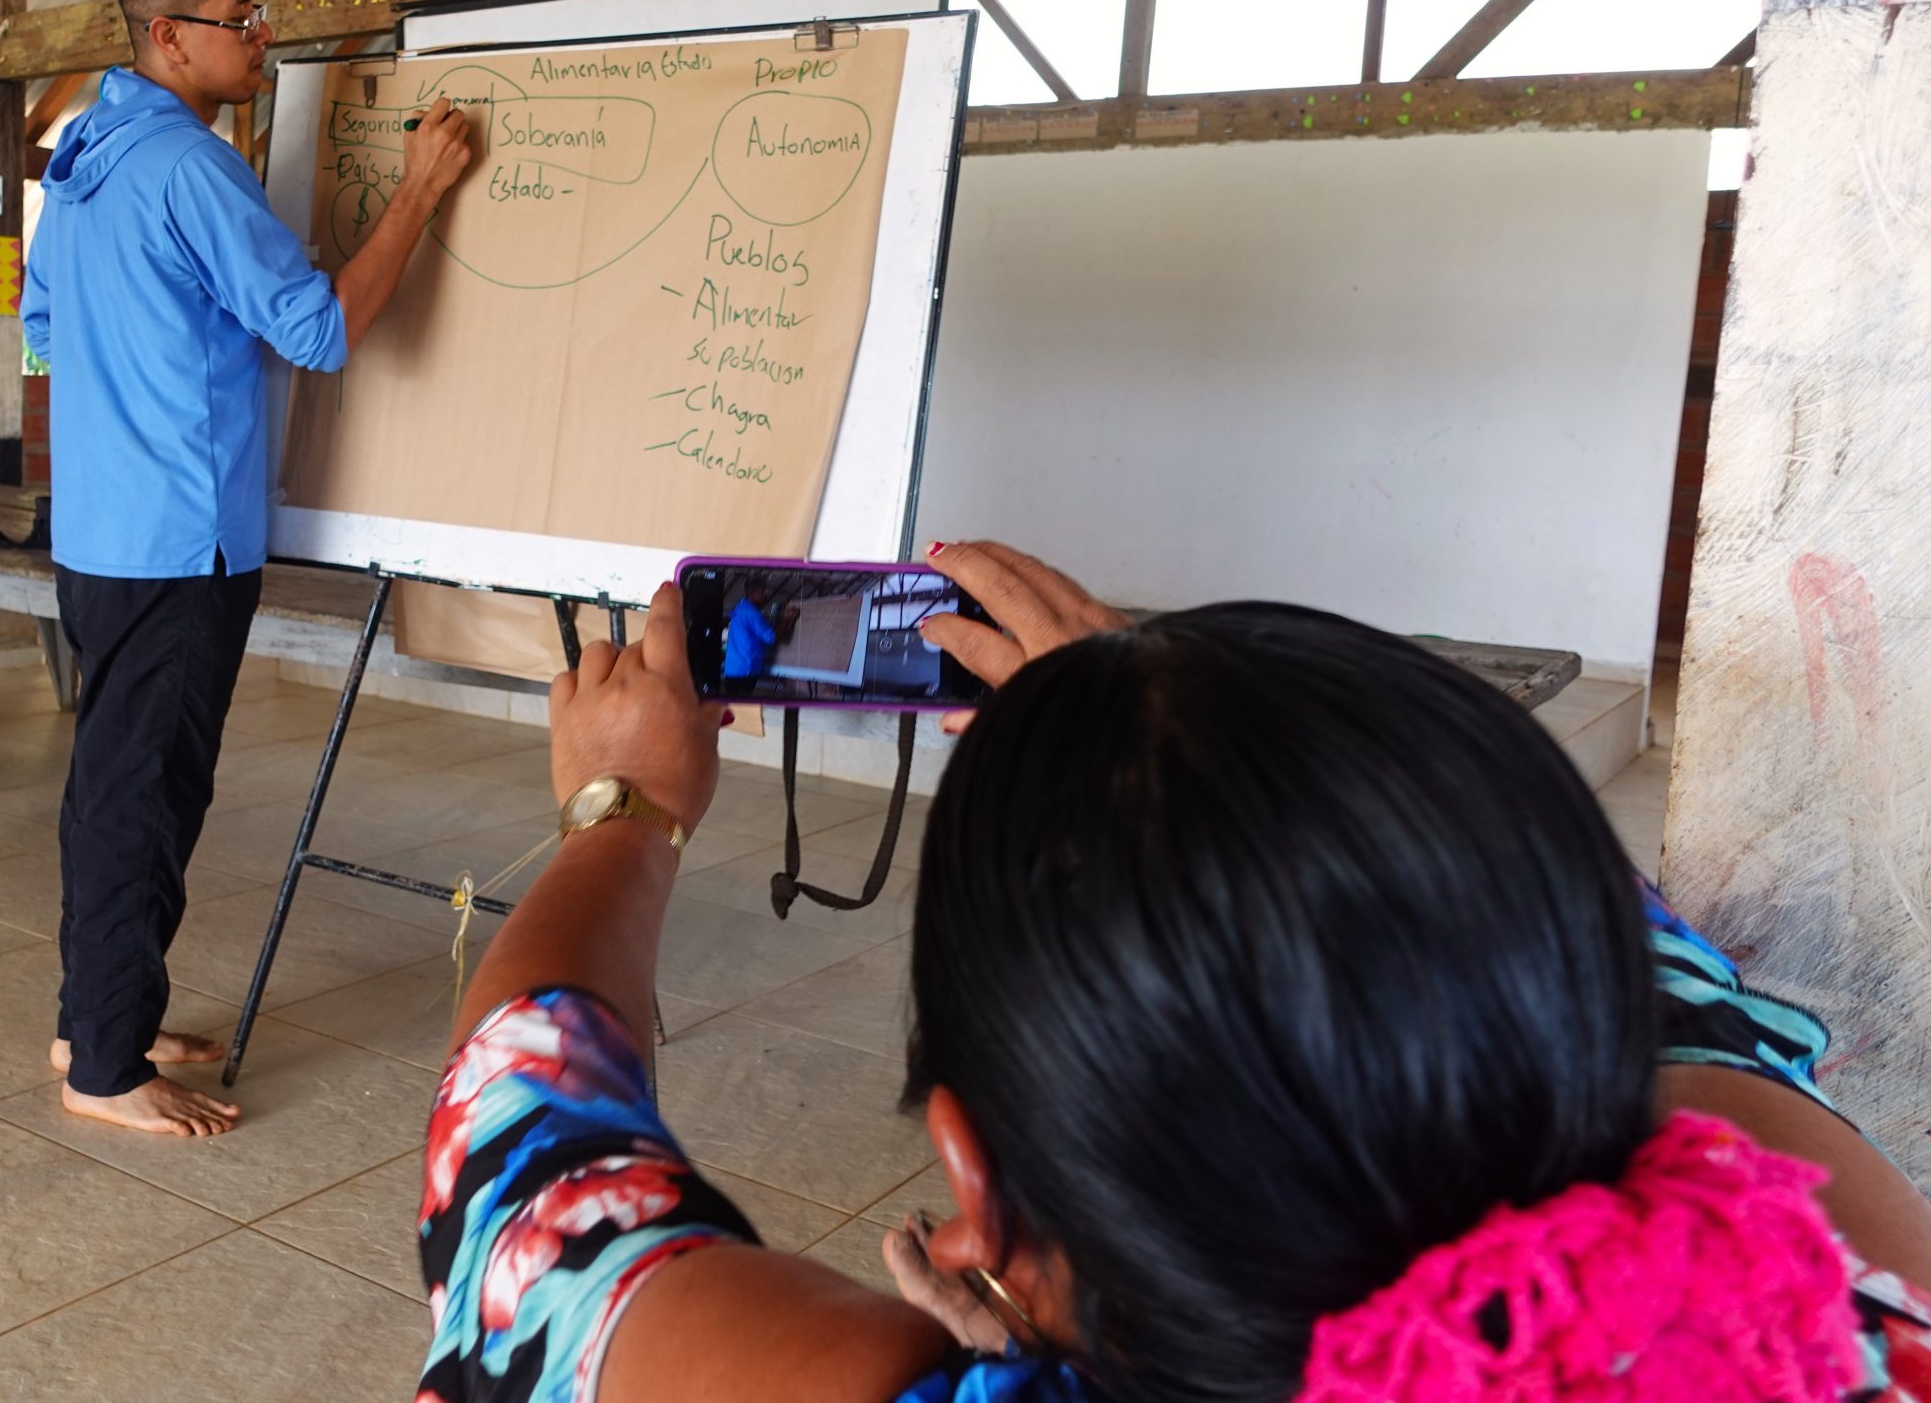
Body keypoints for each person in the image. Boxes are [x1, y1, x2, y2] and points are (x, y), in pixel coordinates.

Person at [415, 541, 1931, 1402]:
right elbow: (1645, 980)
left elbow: (523, 1163)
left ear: (977, 1187)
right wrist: (1200, 750)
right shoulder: (1840, 1308)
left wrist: (623, 805)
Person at [20, 0, 474, 1138]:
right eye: (241, 16)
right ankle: (105, 1070)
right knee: (145, 800)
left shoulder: (82, 152)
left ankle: (98, 1015)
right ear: (168, 34)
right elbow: (319, 331)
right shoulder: (185, 166)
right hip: (179, 540)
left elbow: (46, 329)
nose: (262, 36)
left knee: (115, 788)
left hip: (104, 531)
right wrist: (422, 187)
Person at [721, 584, 784, 683]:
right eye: (762, 592)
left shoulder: (739, 609)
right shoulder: (752, 613)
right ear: (751, 593)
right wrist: (789, 619)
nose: (765, 595)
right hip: (746, 670)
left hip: (732, 668)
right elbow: (771, 637)